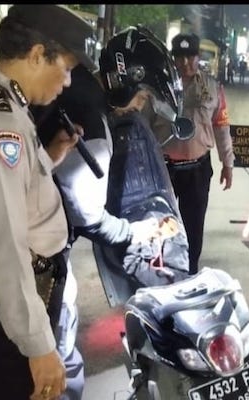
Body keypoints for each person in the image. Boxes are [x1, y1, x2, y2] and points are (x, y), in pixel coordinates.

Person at [31, 58, 174, 399]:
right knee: (58, 352)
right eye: (142, 97)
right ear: (126, 81)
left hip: (31, 234)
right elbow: (87, 215)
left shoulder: (78, 86)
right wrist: (133, 232)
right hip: (39, 252)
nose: (139, 107)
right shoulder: (93, 121)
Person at [0, 5, 94, 400]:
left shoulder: (0, 100)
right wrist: (37, 345)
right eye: (66, 68)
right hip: (6, 314)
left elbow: (13, 186)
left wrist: (49, 156)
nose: (67, 82)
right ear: (36, 54)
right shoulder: (0, 121)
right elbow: (3, 244)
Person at [145, 32, 234, 275]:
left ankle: (190, 273)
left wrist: (228, 163)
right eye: (179, 57)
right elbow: (143, 127)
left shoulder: (212, 87)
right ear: (172, 58)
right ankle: (160, 274)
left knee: (194, 228)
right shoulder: (157, 88)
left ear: (198, 57)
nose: (185, 63)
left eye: (190, 57)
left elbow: (221, 126)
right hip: (163, 169)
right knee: (161, 225)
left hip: (197, 168)